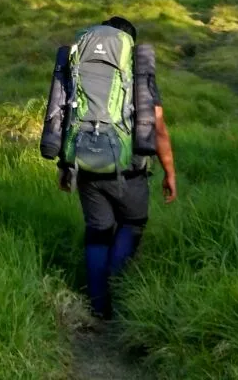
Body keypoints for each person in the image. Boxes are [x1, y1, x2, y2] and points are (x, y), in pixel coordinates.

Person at [48, 16, 177, 319]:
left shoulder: (81, 66)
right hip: (129, 170)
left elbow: (63, 113)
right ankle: (118, 290)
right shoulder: (135, 70)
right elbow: (157, 127)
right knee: (133, 223)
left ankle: (98, 307)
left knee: (98, 232)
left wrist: (64, 168)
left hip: (84, 166)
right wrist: (169, 172)